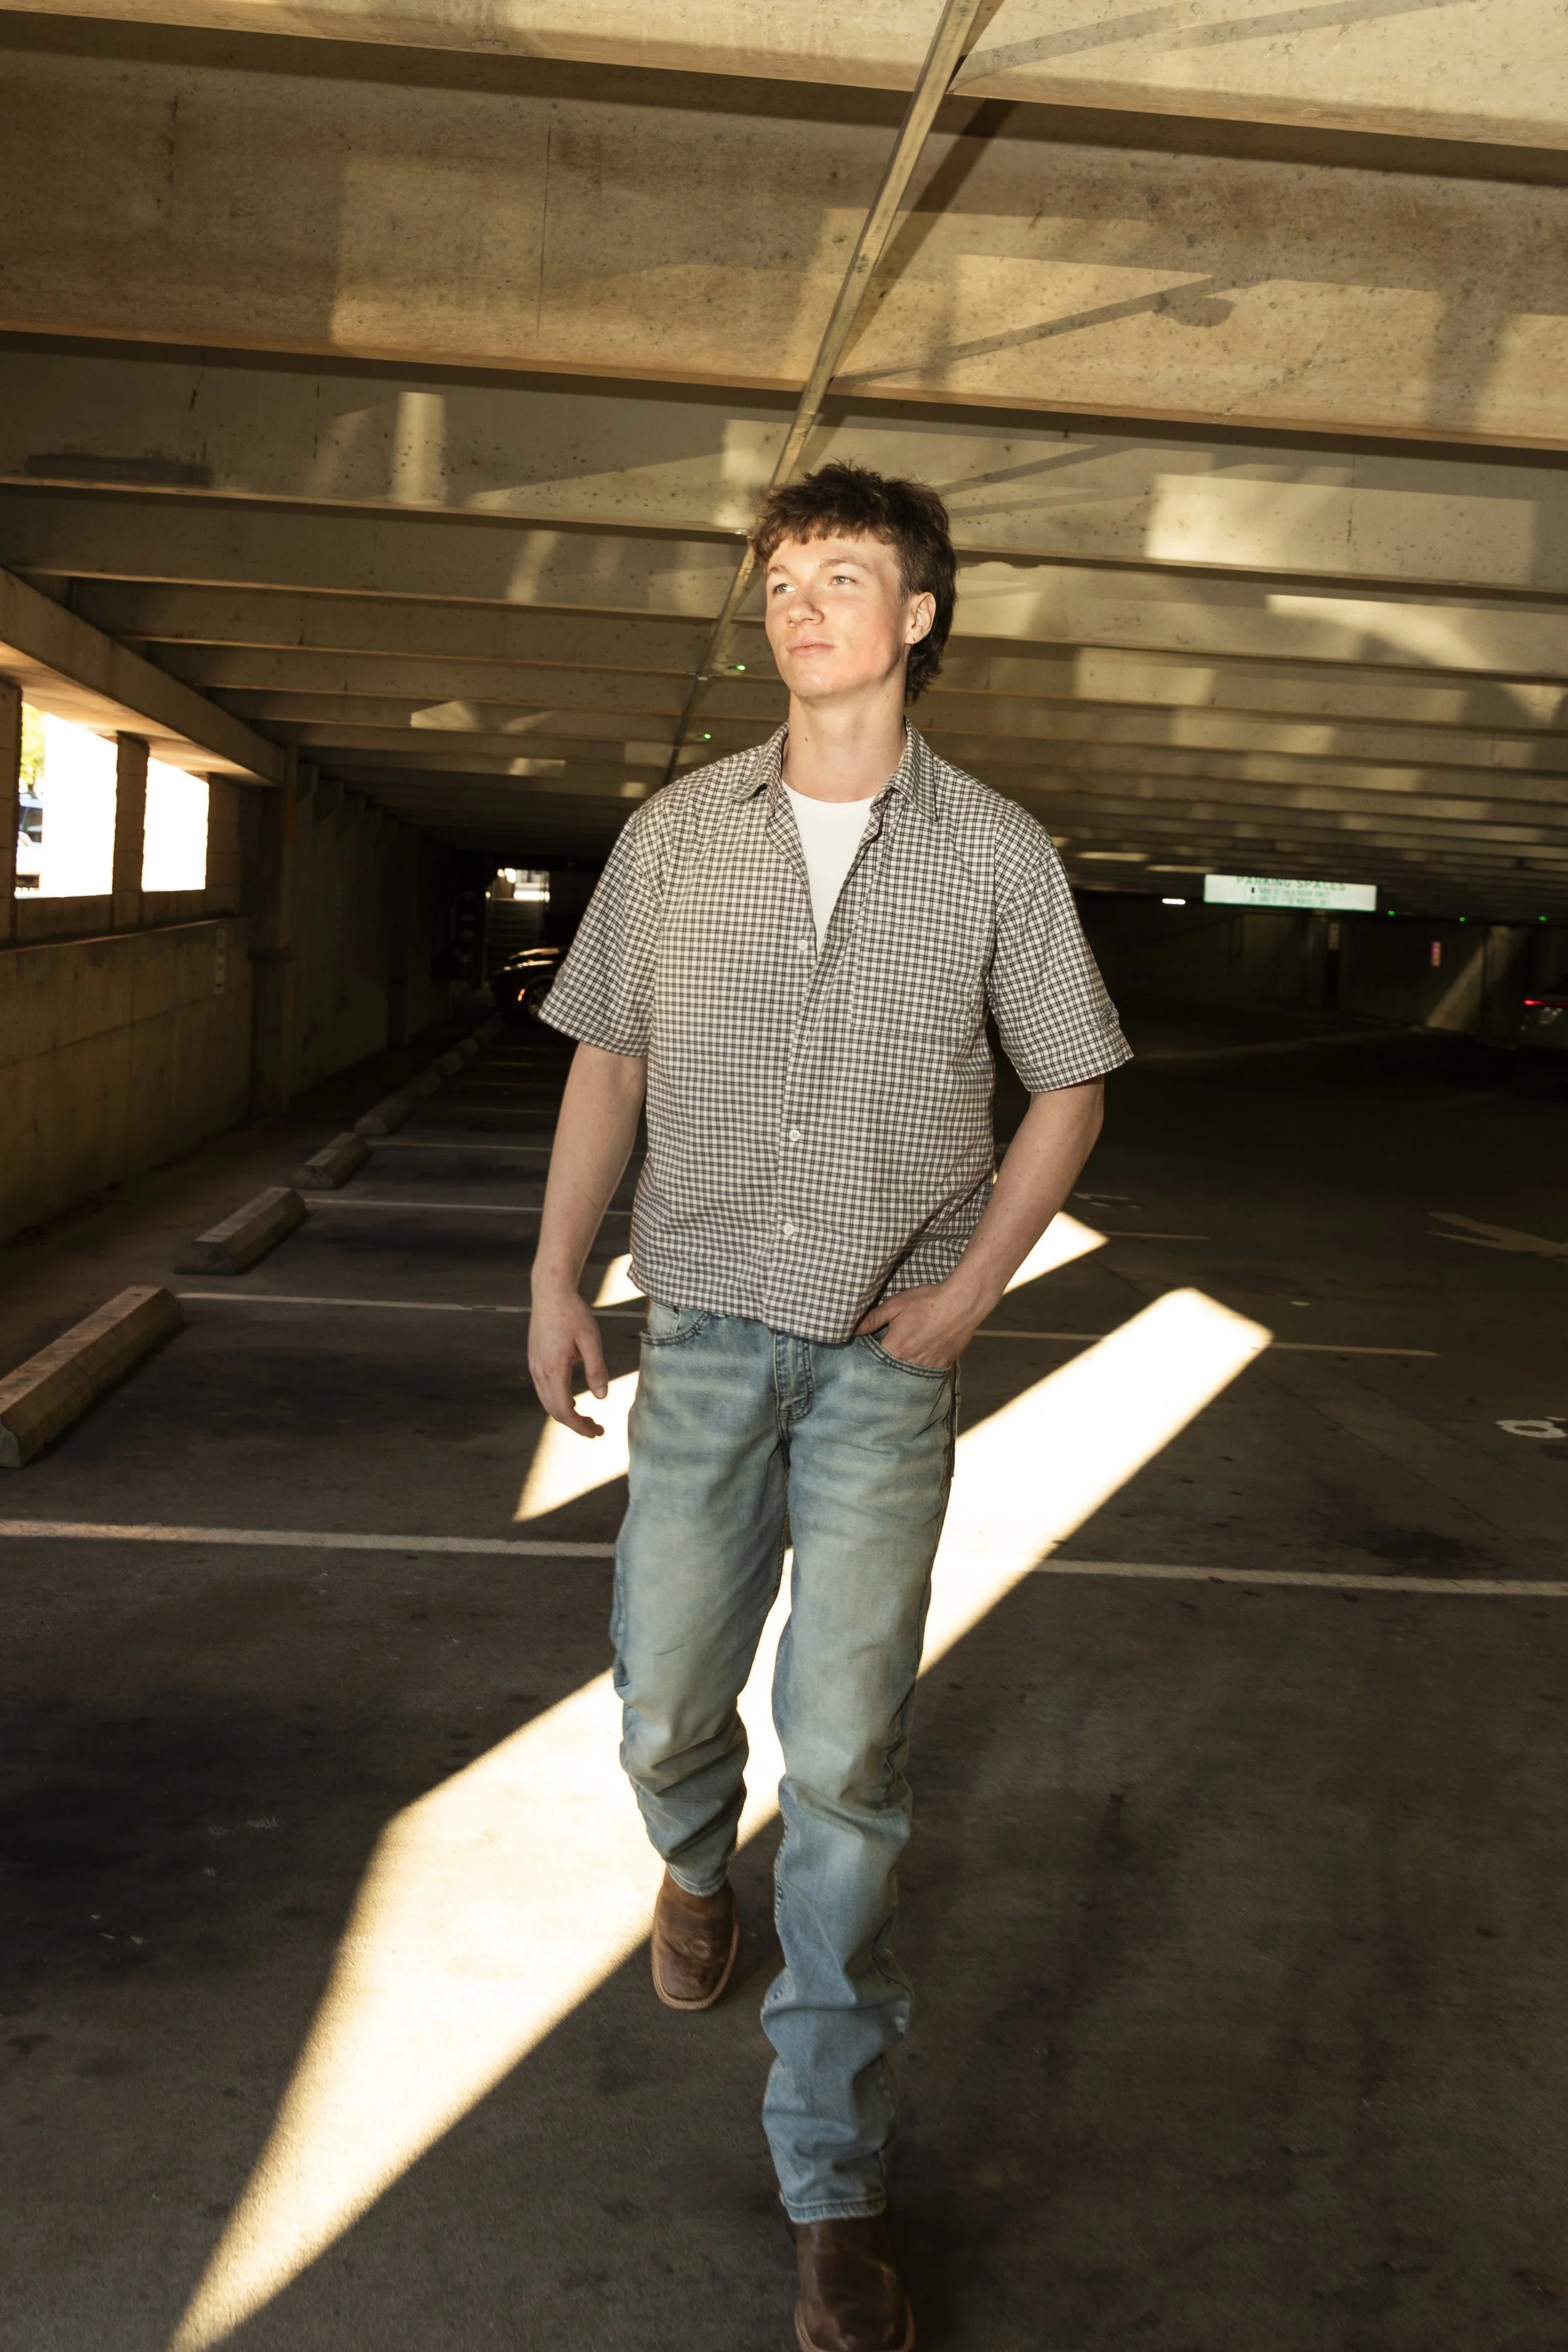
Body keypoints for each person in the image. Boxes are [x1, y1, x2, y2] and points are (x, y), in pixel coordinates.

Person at [528, 462, 1130, 2352]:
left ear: (919, 615)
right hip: (700, 1331)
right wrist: (555, 1273)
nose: (799, 603)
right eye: (780, 577)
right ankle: (693, 1857)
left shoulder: (994, 854)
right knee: (659, 1694)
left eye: (841, 575)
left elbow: (1071, 1082)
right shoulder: (675, 834)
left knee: (853, 1768)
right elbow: (605, 1056)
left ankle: (830, 2184)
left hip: (883, 1364)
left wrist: (964, 1299)